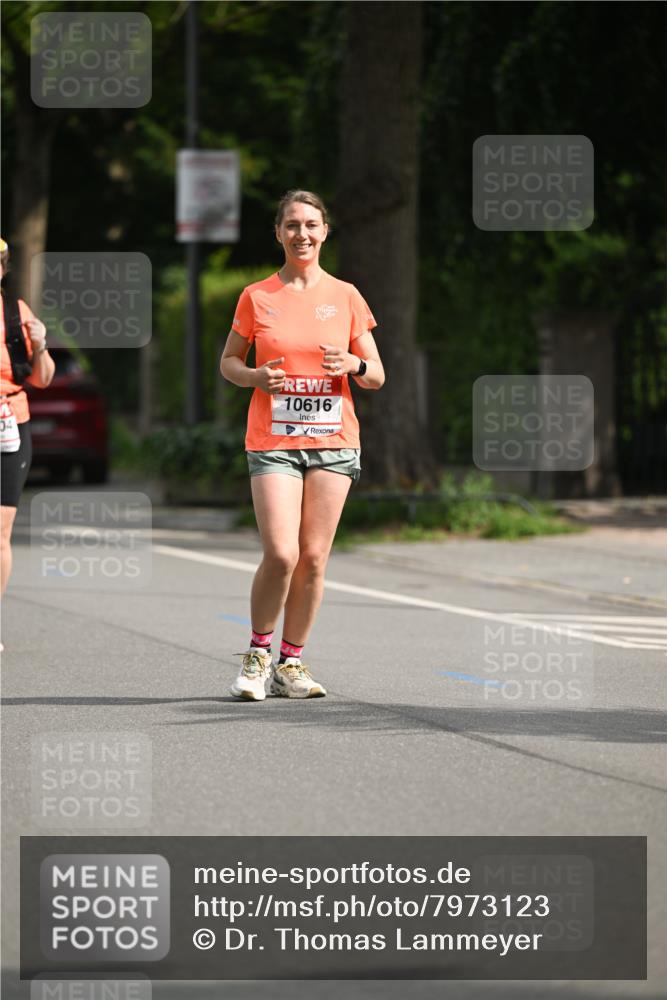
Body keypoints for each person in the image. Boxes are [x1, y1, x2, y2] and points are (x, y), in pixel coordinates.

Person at [220, 190, 385, 700]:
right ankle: (256, 654)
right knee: (281, 552)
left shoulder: (347, 296)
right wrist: (254, 378)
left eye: (311, 224)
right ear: (278, 232)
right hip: (272, 441)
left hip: (334, 442)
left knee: (314, 557)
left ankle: (291, 663)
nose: (302, 234)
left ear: (325, 231)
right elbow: (228, 363)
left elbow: (377, 374)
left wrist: (353, 366)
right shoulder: (256, 296)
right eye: (292, 224)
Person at [0, 238, 55, 650]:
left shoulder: (15, 313)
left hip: (10, 426)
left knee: (1, 532)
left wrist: (41, 342)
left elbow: (42, 378)